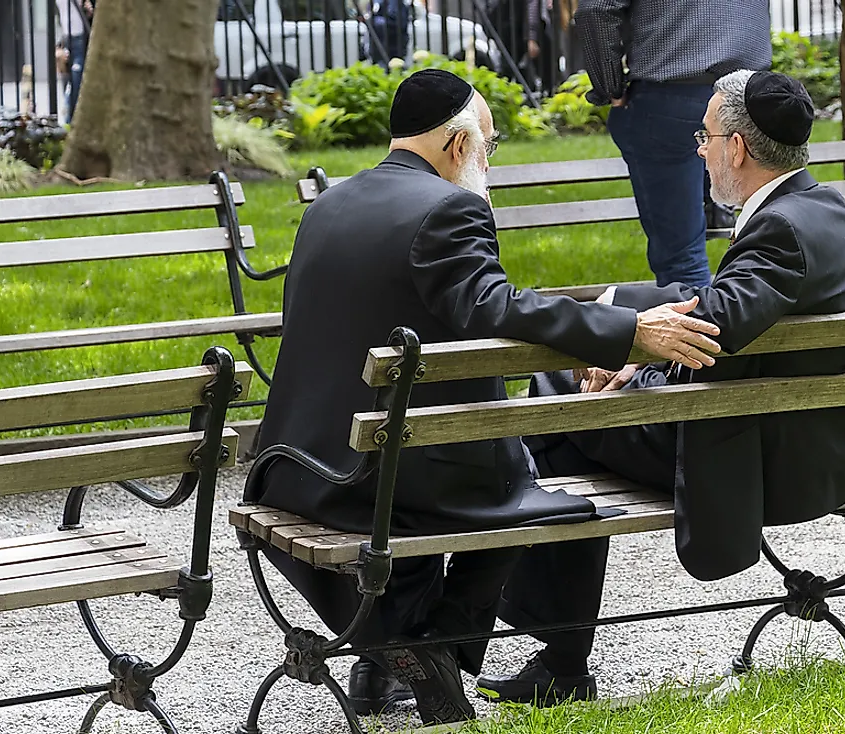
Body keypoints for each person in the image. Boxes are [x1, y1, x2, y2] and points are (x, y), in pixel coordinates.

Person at [251, 68, 722, 725]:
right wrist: (628, 331)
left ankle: (388, 654)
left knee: (471, 464)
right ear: (455, 146)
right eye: (487, 149)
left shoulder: (329, 205)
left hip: (297, 472)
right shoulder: (451, 207)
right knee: (546, 489)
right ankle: (424, 643)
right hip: (388, 481)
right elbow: (491, 305)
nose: (487, 165)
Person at [476, 70, 845, 705]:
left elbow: (717, 328)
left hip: (766, 464)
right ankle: (556, 649)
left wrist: (634, 355)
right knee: (574, 394)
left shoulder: (777, 233)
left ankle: (556, 648)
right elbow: (730, 309)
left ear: (738, 150)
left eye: (706, 135)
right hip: (824, 446)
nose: (700, 148)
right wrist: (639, 350)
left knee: (556, 399)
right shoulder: (826, 210)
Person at [574, 0, 772, 288]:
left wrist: (610, 89)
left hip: (673, 91)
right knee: (771, 242)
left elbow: (596, 8)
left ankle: (705, 328)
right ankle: (713, 201)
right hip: (751, 93)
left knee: (682, 260)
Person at [55, 0, 93, 124]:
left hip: (80, 39)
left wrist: (88, 9)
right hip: (66, 39)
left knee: (77, 81)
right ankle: (68, 122)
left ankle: (70, 122)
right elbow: (54, 18)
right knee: (68, 82)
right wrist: (57, 46)